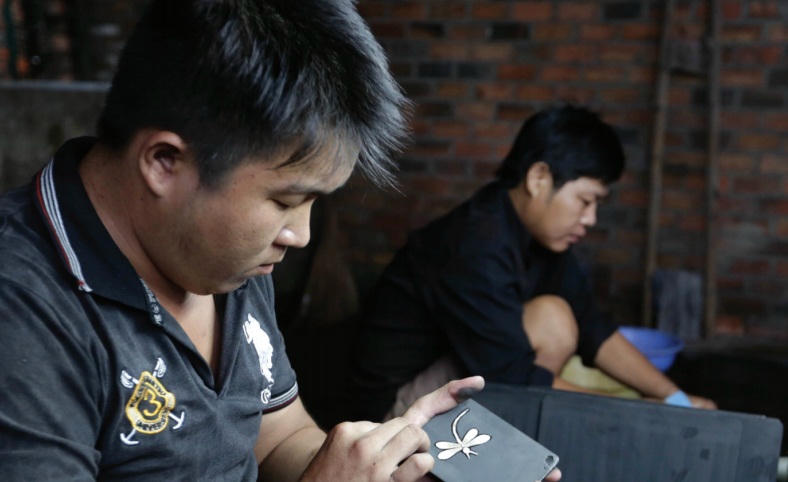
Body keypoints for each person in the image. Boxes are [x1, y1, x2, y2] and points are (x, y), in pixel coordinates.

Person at [0, 1, 533, 481]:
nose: (300, 235)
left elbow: (278, 436)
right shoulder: (23, 309)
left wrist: (374, 466)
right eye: (285, 200)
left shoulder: (222, 258)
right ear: (165, 163)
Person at [350, 105, 716, 422]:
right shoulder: (473, 244)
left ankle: (512, 434)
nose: (590, 219)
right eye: (585, 201)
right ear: (539, 177)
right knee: (551, 320)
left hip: (460, 381)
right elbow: (514, 378)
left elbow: (592, 327)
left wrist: (676, 399)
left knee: (557, 317)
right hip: (391, 415)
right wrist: (643, 412)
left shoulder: (537, 236)